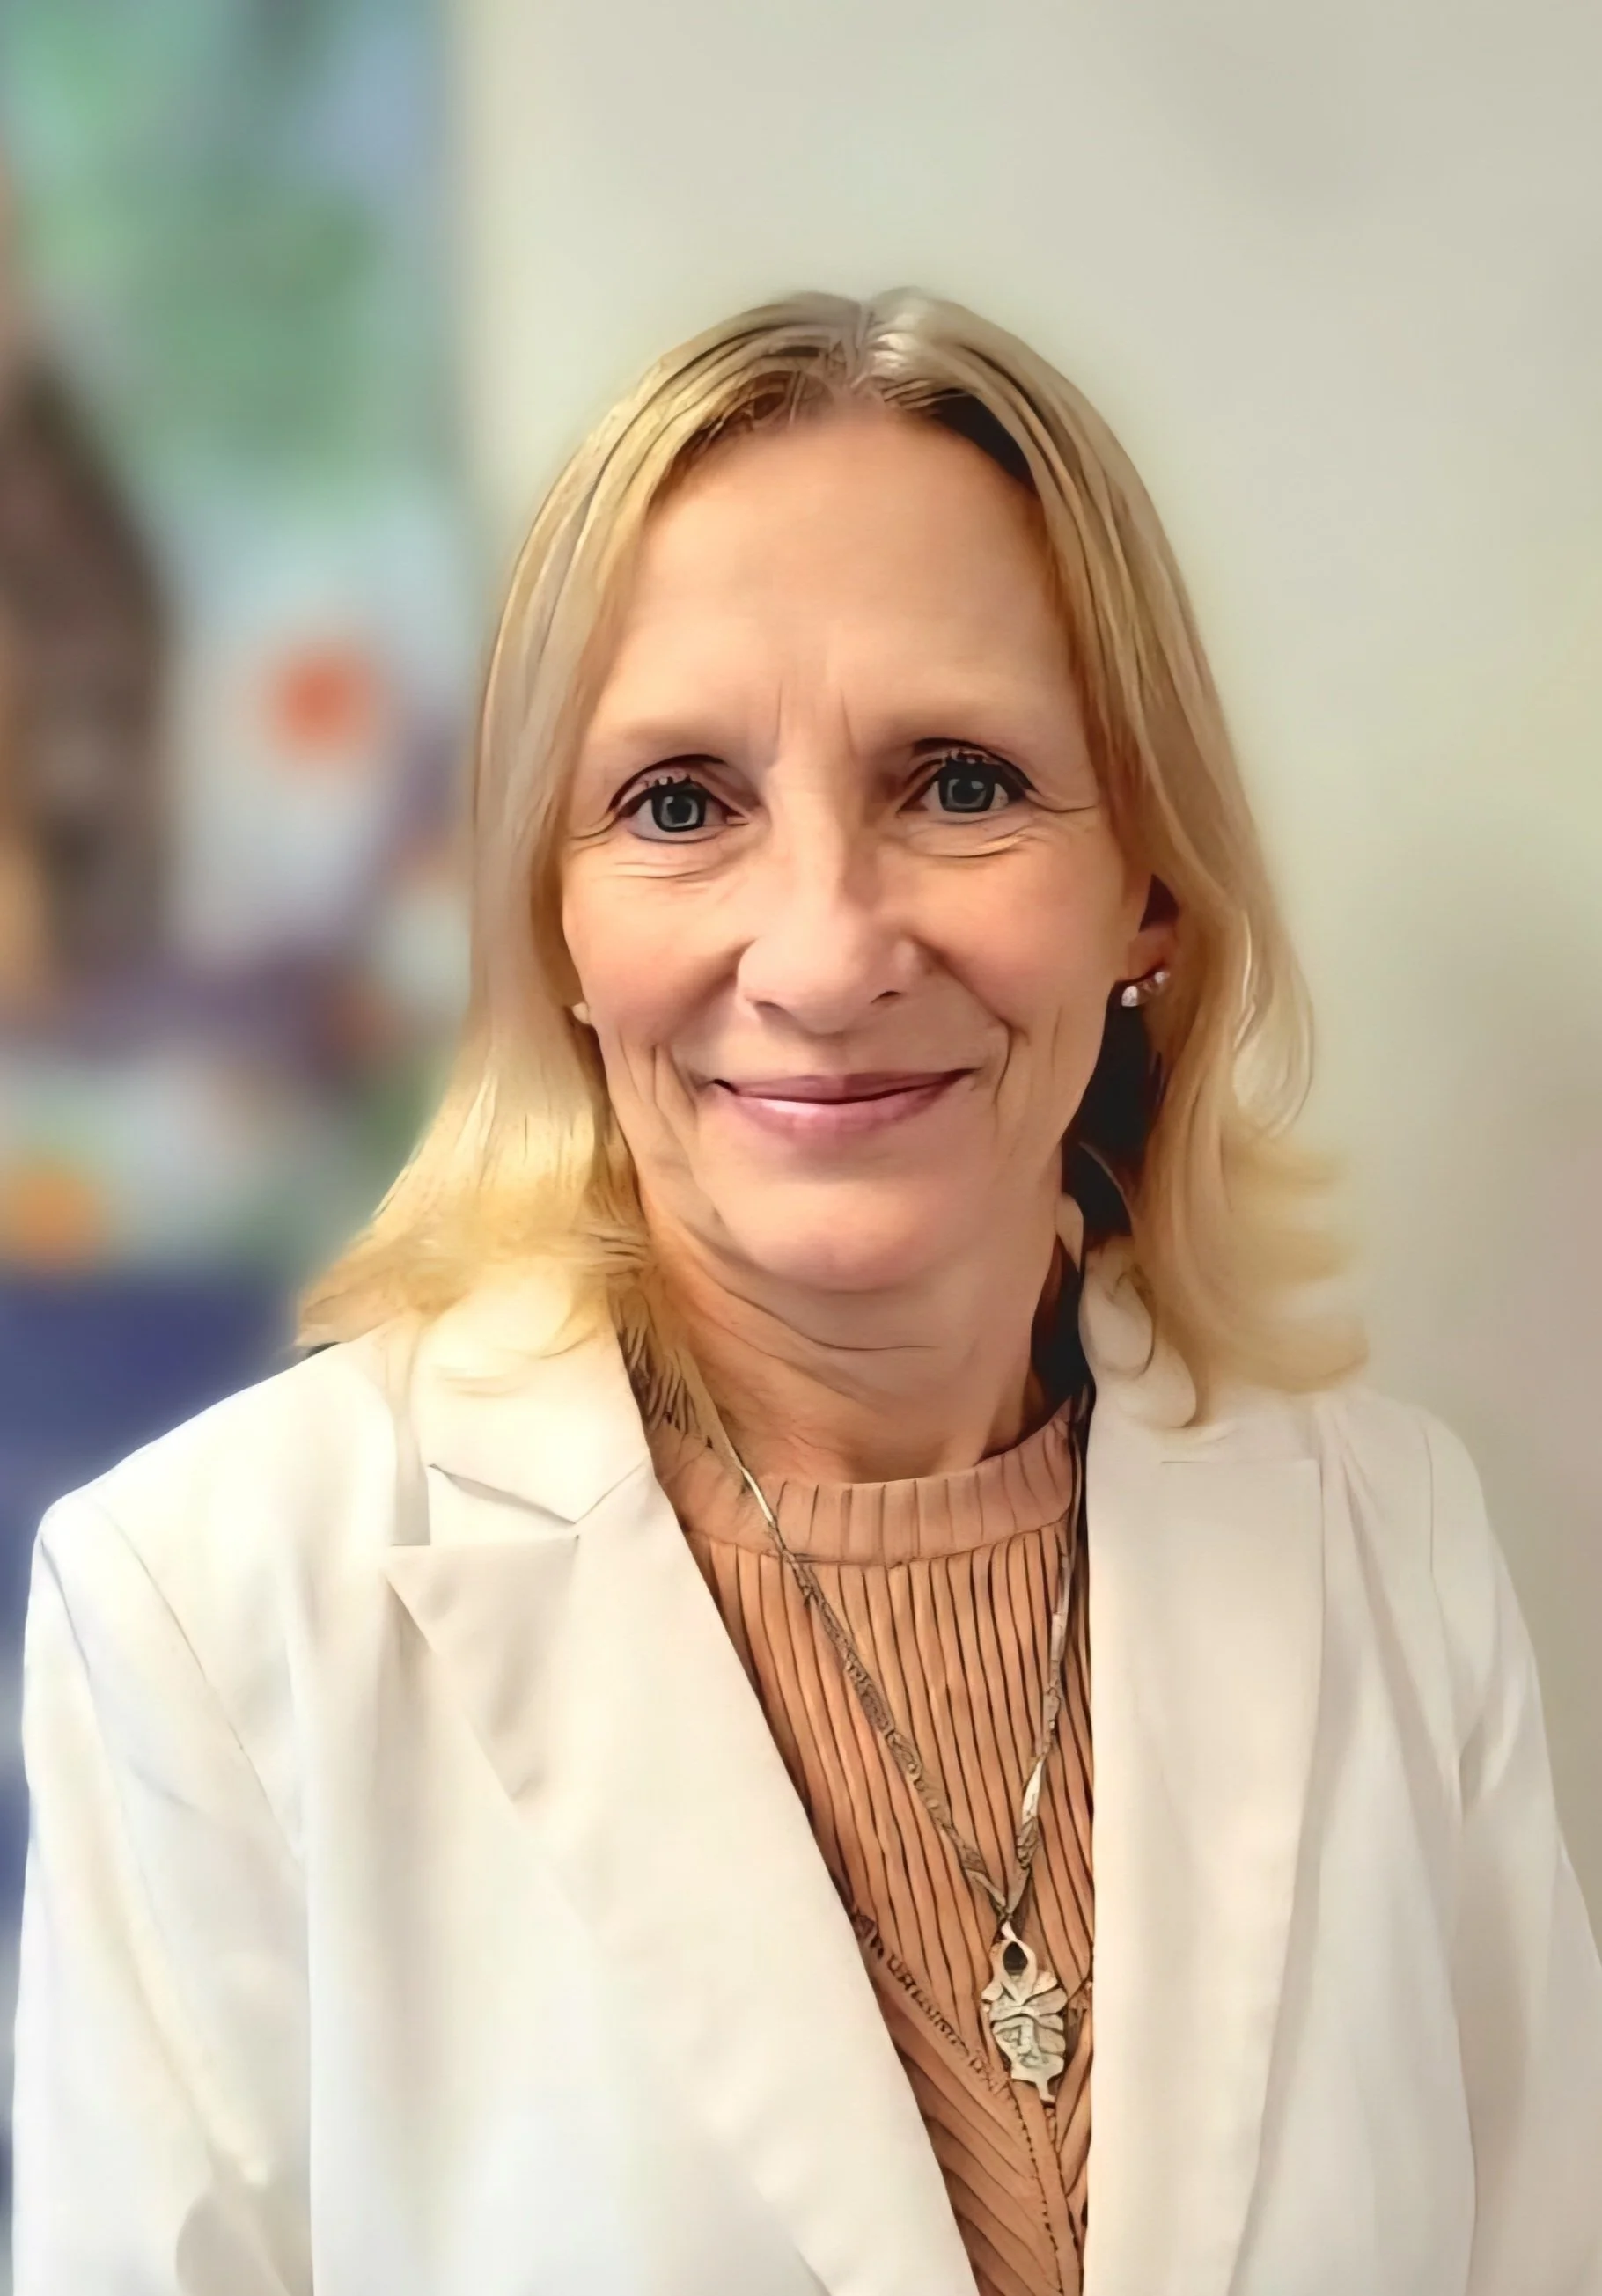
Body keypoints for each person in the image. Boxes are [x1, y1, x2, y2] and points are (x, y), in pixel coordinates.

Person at [12, 289, 1602, 2296]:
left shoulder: (1395, 1541)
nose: (826, 949)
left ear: (1151, 885)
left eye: (957, 780)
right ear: (551, 920)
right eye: (679, 803)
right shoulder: (203, 1602)